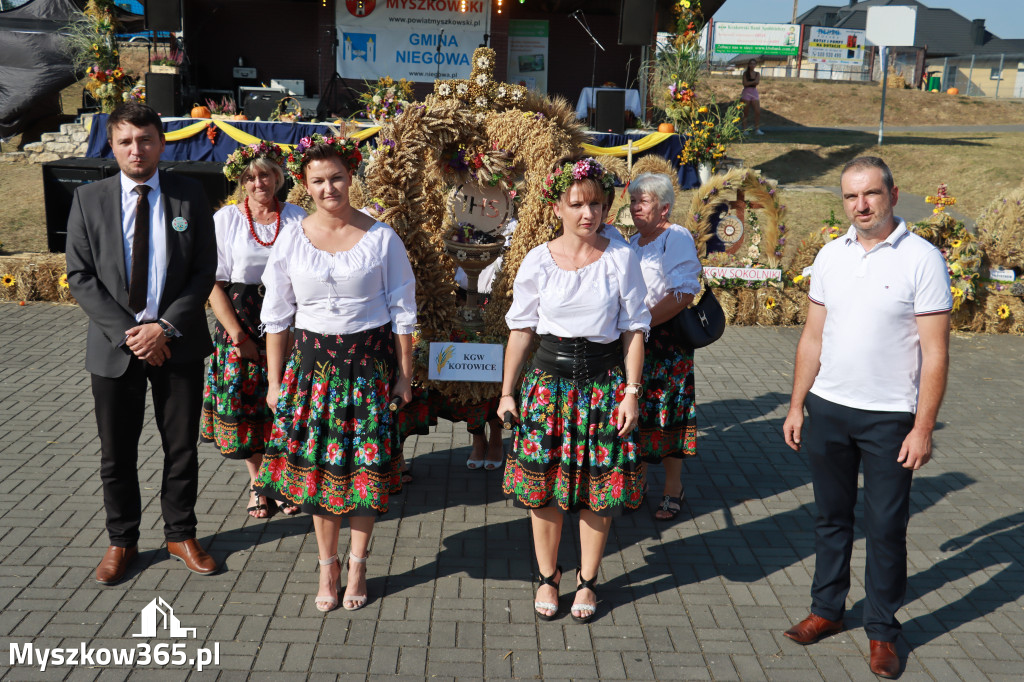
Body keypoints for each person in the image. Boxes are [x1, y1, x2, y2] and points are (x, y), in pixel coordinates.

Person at [781, 157, 952, 679]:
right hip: (828, 409)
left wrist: (922, 428)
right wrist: (796, 403)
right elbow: (813, 336)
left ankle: (882, 632)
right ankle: (827, 611)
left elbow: (936, 353)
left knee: (884, 528)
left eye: (871, 194)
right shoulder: (831, 254)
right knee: (831, 519)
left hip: (889, 419)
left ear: (892, 195)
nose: (861, 205)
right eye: (852, 196)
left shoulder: (922, 259)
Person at [253, 134, 416, 612]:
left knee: (363, 472)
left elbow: (403, 311)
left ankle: (359, 563)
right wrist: (274, 380)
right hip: (311, 373)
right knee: (322, 474)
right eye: (319, 180)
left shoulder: (382, 237)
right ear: (304, 184)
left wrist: (404, 375)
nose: (330, 188)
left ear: (352, 178)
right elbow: (277, 315)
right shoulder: (290, 237)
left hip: (367, 370)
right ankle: (328, 565)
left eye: (338, 178)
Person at [65, 102, 219, 585]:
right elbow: (80, 276)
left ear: (162, 143)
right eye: (126, 141)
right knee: (117, 452)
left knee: (182, 448)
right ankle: (122, 540)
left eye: (146, 139)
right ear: (111, 145)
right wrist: (131, 334)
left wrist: (165, 327)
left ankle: (181, 533)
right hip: (116, 349)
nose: (137, 149)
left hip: (179, 345)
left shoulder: (191, 196)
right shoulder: (89, 199)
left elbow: (203, 272)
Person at [498, 157, 650, 623]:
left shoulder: (622, 257)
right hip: (547, 388)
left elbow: (634, 330)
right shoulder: (538, 260)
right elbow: (521, 329)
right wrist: (507, 392)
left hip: (603, 387)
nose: (589, 214)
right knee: (543, 488)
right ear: (557, 207)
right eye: (578, 204)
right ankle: (548, 576)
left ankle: (587, 581)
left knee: (595, 489)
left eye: (597, 204)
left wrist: (631, 392)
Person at [200, 142, 307, 518]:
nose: (258, 182)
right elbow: (212, 283)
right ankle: (259, 482)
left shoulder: (297, 217)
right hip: (240, 321)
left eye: (265, 175)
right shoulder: (227, 219)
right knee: (249, 408)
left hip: (289, 322)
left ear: (278, 177)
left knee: (286, 406)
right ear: (241, 182)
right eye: (250, 177)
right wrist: (238, 337)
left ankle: (284, 480)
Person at [627, 173, 702, 521]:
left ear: (664, 208)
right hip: (635, 339)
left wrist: (644, 323)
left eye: (643, 202)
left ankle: (673, 488)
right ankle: (638, 481)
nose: (635, 207)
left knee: (668, 413)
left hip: (665, 341)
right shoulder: (632, 242)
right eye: (632, 201)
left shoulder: (676, 237)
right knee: (637, 410)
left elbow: (684, 293)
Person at [740, 59, 764, 135]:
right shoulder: (745, 73)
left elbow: (757, 82)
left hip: (754, 92)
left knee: (757, 111)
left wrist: (749, 82)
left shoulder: (757, 74)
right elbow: (745, 84)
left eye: (754, 64)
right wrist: (752, 82)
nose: (752, 65)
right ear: (749, 64)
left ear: (756, 65)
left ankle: (757, 129)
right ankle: (744, 130)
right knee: (745, 112)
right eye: (751, 63)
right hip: (746, 92)